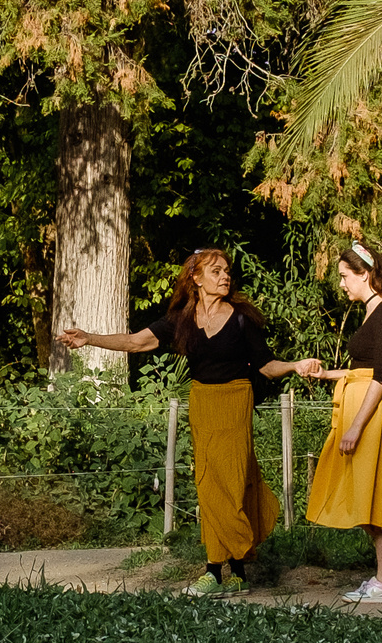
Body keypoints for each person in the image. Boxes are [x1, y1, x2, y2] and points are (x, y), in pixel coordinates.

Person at [60, 249, 311, 597]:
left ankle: (233, 569)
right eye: (216, 271)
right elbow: (135, 342)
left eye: (227, 271)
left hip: (235, 402)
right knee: (208, 483)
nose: (225, 276)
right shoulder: (181, 319)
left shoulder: (242, 319)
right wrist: (89, 338)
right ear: (196, 278)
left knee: (233, 483)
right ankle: (220, 572)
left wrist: (295, 365)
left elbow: (266, 366)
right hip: (202, 403)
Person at [300, 241, 382, 603]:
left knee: (374, 492)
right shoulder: (370, 311)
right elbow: (361, 370)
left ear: (364, 274)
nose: (341, 283)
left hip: (374, 414)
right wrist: (327, 375)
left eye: (344, 276)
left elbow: (380, 376)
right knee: (358, 491)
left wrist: (356, 426)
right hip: (361, 408)